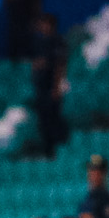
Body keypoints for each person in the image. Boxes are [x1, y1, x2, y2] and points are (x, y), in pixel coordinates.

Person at [32, 12, 69, 156]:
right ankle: (47, 150)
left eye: (44, 23)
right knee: (43, 120)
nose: (41, 26)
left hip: (51, 87)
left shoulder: (57, 42)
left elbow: (59, 65)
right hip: (41, 89)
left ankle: (59, 147)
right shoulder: (40, 43)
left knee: (53, 118)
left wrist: (56, 87)